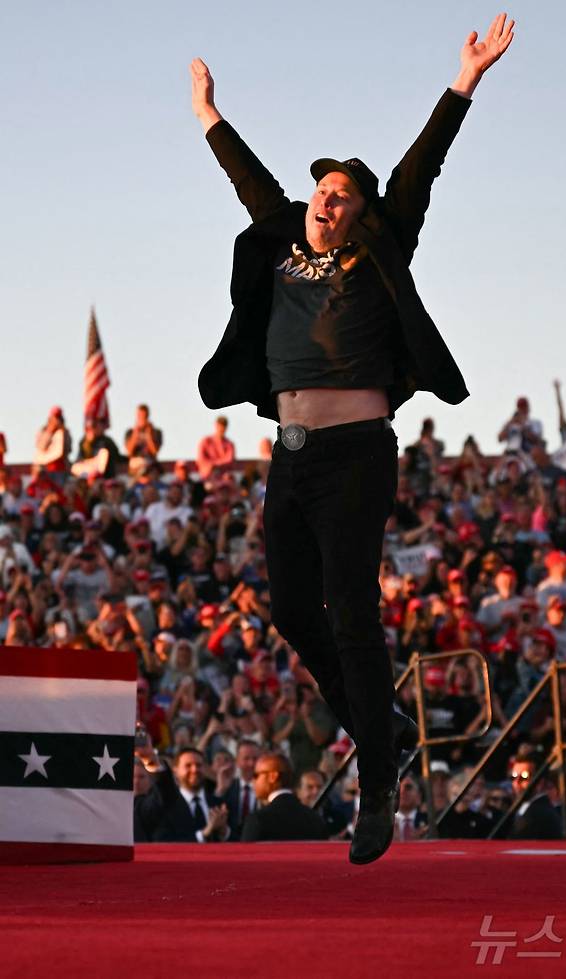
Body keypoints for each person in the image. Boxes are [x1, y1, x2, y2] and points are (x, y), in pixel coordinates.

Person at [210, 13, 517, 864]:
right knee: (286, 609)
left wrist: (465, 82)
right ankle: (387, 737)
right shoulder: (279, 244)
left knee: (352, 617)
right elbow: (251, 184)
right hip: (289, 459)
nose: (325, 198)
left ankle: (379, 781)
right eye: (321, 189)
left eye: (342, 193)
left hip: (355, 455)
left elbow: (423, 168)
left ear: (359, 212)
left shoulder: (379, 249)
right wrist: (208, 114)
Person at [241, 751, 329, 842]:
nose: (253, 781)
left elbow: (246, 855)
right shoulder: (315, 820)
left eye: (256, 775)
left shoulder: (258, 820)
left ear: (273, 776)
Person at [124, 404, 163, 476]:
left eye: (144, 416)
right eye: (139, 416)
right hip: (135, 463)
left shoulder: (156, 432)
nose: (142, 418)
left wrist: (149, 435)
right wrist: (135, 434)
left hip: (150, 463)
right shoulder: (130, 432)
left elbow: (155, 451)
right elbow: (129, 452)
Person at [196, 415, 236, 479]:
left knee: (228, 479)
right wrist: (212, 466)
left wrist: (215, 464)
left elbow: (229, 461)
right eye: (220, 425)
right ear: (216, 425)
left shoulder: (229, 444)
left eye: (224, 426)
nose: (222, 428)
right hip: (207, 476)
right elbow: (201, 459)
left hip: (224, 478)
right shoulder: (206, 441)